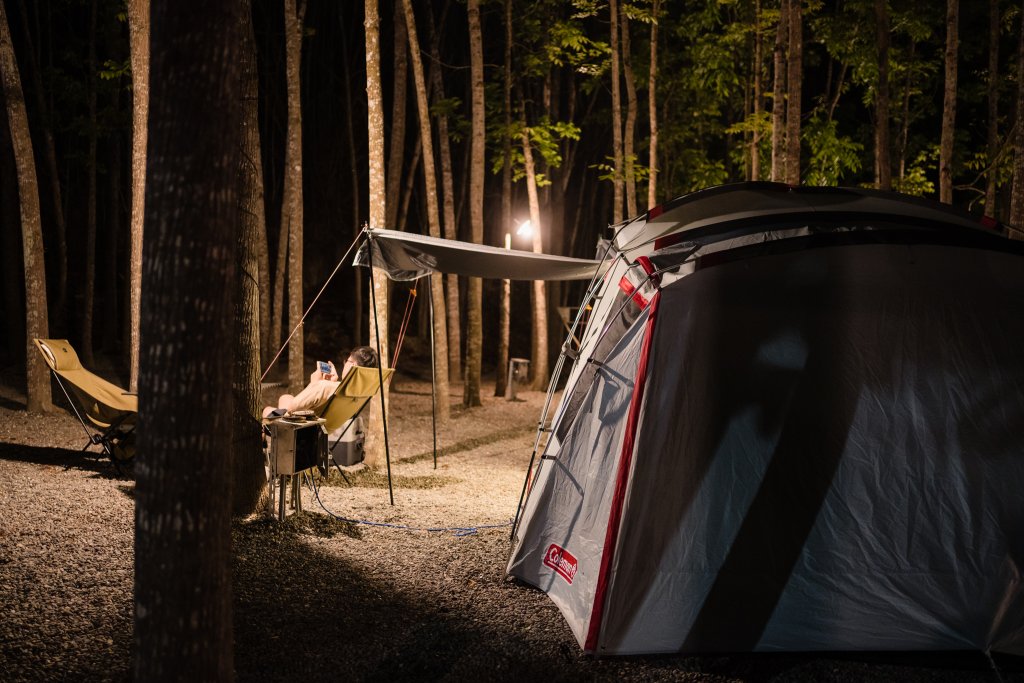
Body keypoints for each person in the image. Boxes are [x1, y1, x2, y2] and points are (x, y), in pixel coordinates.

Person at [262, 345, 379, 418]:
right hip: (327, 425)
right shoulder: (358, 392)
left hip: (303, 427)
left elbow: (292, 408)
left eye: (347, 361)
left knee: (267, 410)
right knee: (285, 397)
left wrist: (315, 383)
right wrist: (332, 382)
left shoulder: (324, 386)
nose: (345, 364)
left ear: (353, 365)